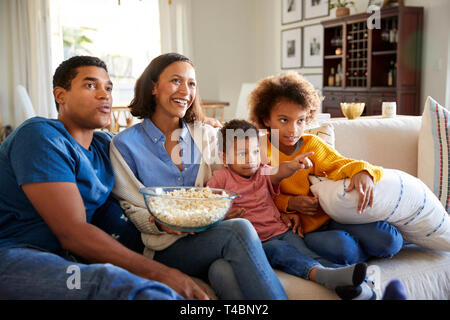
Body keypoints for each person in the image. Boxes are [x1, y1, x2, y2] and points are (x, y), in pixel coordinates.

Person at [0, 55, 208, 300]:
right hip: (17, 254)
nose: (104, 94)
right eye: (91, 85)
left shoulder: (105, 145)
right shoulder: (40, 136)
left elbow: (146, 148)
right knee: (120, 285)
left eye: (108, 87)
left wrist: (201, 128)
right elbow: (73, 232)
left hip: (69, 258)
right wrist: (162, 273)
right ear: (60, 95)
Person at [109, 52, 287, 300]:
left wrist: (286, 203)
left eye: (191, 83)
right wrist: (160, 222)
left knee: (222, 271)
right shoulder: (125, 144)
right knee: (240, 230)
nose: (185, 90)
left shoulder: (206, 136)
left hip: (210, 236)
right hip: (164, 247)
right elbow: (131, 205)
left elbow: (235, 177)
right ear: (153, 87)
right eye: (176, 81)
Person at [206, 119, 376, 300]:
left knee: (308, 254)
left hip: (283, 231)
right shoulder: (221, 179)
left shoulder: (262, 172)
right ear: (224, 157)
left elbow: (280, 171)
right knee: (282, 252)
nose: (251, 159)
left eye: (255, 152)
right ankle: (325, 276)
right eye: (242, 154)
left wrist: (294, 166)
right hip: (259, 242)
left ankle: (358, 284)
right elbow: (208, 207)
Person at [247, 72, 404, 266]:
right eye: (284, 120)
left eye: (301, 121)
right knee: (344, 248)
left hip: (334, 216)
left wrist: (362, 172)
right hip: (303, 231)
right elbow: (255, 194)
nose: (293, 130)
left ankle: (359, 253)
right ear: (266, 119)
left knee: (391, 240)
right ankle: (356, 258)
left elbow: (340, 164)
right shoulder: (258, 150)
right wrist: (290, 204)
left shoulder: (311, 144)